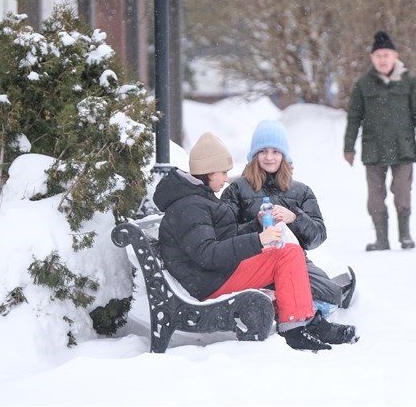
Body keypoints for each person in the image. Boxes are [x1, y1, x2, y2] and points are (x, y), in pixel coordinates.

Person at [153, 132, 357, 351]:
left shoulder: (197, 197)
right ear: (209, 171)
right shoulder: (190, 206)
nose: (226, 179)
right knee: (286, 255)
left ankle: (308, 322)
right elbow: (208, 255)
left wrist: (255, 225)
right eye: (223, 172)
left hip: (214, 275)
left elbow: (222, 239)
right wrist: (258, 239)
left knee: (287, 252)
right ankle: (297, 328)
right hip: (209, 282)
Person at [221, 120, 355, 313]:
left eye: (275, 151)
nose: (269, 157)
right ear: (254, 154)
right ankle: (278, 305)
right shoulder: (237, 189)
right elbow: (225, 237)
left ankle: (285, 305)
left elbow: (317, 237)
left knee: (330, 293)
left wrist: (295, 218)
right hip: (253, 261)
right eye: (263, 151)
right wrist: (256, 226)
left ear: (284, 155)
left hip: (293, 260)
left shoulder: (301, 191)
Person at [344, 30, 416, 251]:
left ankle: (405, 235)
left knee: (402, 193)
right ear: (373, 58)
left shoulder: (409, 81)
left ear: (395, 56)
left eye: (386, 55)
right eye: (378, 55)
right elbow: (354, 117)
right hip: (374, 149)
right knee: (375, 198)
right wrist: (349, 147)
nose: (382, 60)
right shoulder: (363, 83)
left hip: (404, 148)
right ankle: (381, 239)